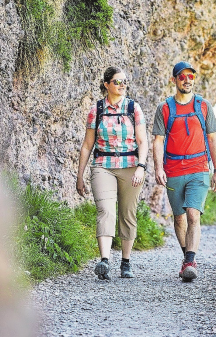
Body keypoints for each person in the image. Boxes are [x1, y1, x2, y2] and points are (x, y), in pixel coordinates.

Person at [152, 61, 216, 282]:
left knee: (193, 214)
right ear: (174, 80)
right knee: (179, 218)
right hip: (173, 170)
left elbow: (212, 138)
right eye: (182, 77)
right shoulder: (164, 108)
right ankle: (187, 260)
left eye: (190, 76)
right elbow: (157, 141)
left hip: (199, 168)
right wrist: (158, 168)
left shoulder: (203, 106)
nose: (187, 80)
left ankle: (190, 262)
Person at [77, 66, 149, 280]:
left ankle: (125, 262)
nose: (122, 85)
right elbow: (87, 145)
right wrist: (80, 175)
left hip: (130, 166)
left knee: (127, 213)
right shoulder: (96, 109)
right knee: (106, 210)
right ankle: (105, 261)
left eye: (124, 81)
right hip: (103, 165)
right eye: (117, 81)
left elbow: (142, 141)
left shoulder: (133, 108)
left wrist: (141, 166)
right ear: (107, 84)